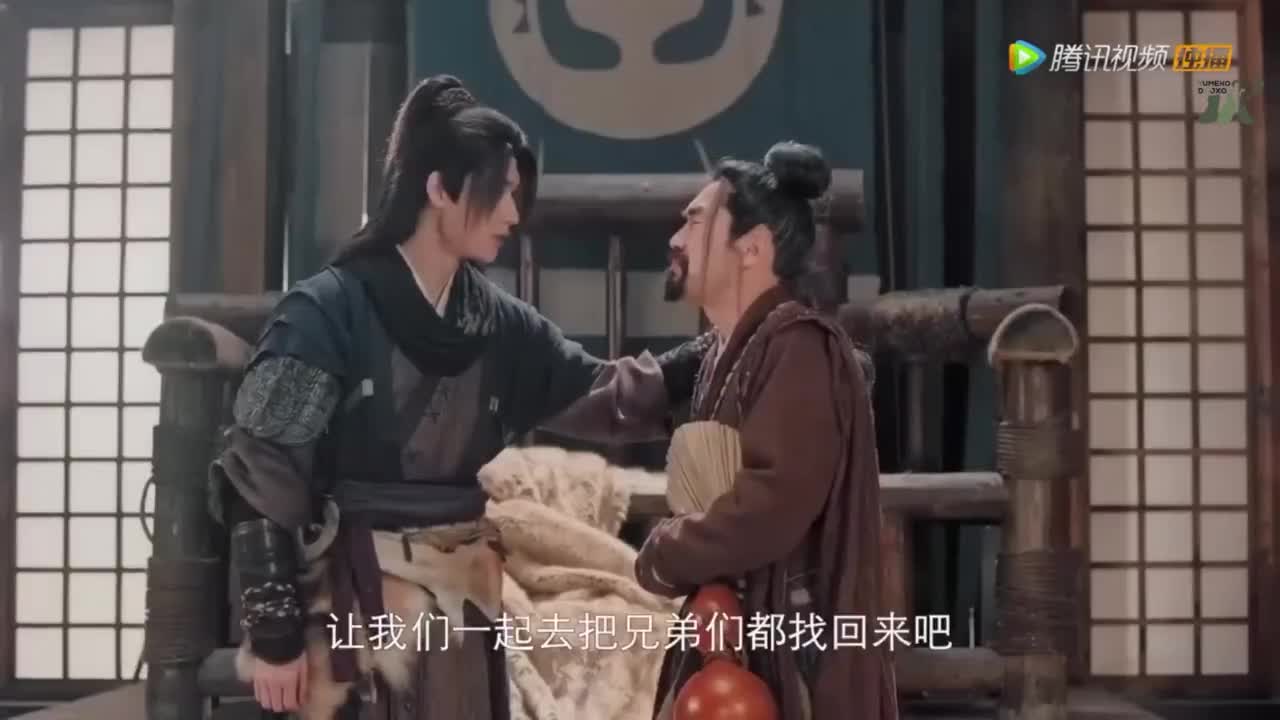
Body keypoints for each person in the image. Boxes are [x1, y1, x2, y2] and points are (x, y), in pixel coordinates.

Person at [210, 74, 704, 719]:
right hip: (356, 597)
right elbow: (260, 476)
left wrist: (720, 354)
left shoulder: (499, 324)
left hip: (465, 592)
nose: (513, 215)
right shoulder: (325, 312)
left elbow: (606, 394)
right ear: (439, 189)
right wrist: (275, 637)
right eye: (499, 193)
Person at [634, 141, 899, 719]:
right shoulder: (721, 354)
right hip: (728, 627)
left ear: (751, 247)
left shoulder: (800, 348)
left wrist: (666, 551)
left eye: (694, 222)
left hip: (786, 639)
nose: (676, 239)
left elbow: (770, 505)